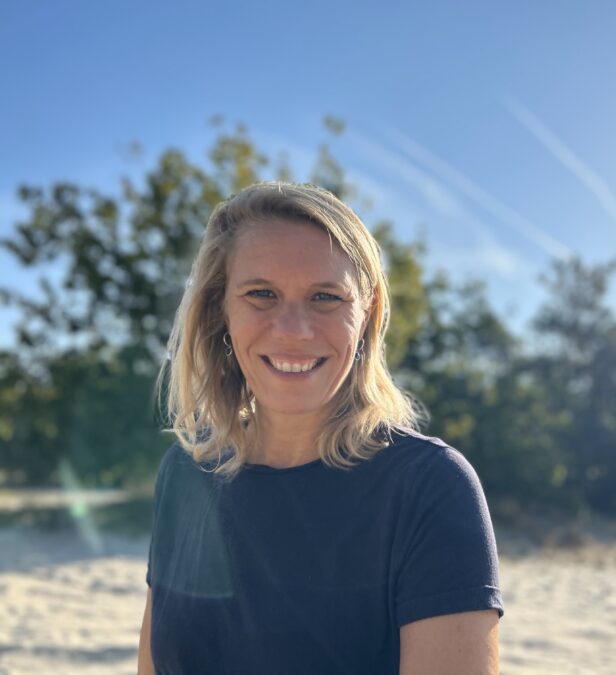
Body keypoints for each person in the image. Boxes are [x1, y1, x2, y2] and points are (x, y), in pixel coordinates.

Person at [137, 181, 503, 674]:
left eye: (326, 297)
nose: (293, 329)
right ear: (222, 308)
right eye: (261, 294)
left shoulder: (429, 487)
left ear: (366, 314)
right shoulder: (185, 472)